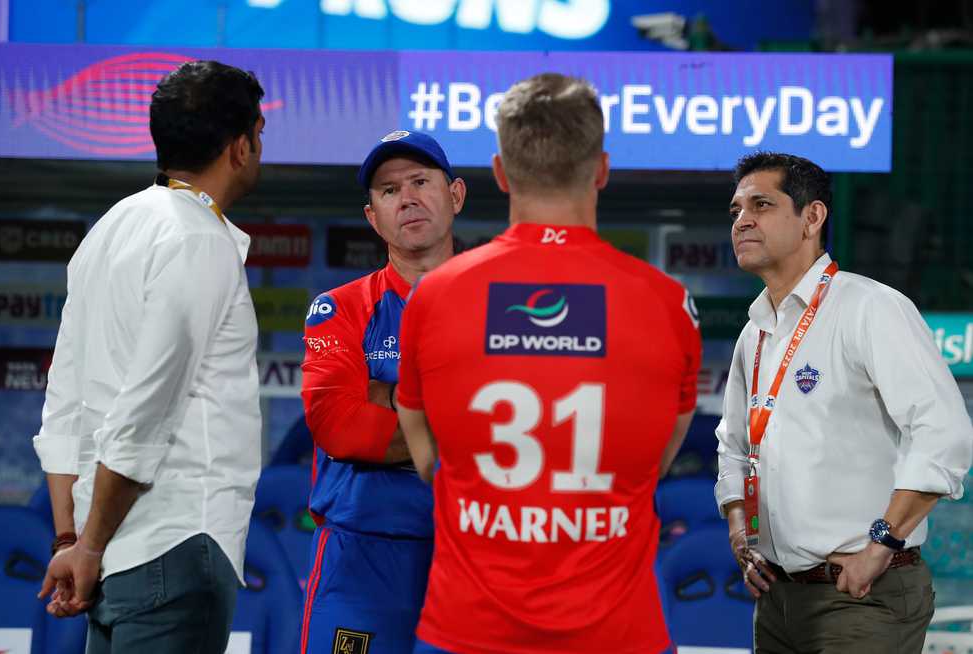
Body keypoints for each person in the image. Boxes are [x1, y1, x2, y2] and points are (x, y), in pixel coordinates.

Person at [396, 72, 701, 653]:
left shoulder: (433, 296)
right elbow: (656, 462)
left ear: (501, 172)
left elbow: (429, 459)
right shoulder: (668, 304)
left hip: (467, 633)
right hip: (618, 635)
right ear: (602, 169)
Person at [32, 60, 265, 653]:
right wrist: (85, 546)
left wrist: (71, 540)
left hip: (109, 553)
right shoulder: (198, 240)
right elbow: (145, 415)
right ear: (239, 148)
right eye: (258, 133)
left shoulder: (108, 229)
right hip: (174, 544)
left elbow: (64, 407)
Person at [715, 152, 973, 653]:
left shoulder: (870, 308)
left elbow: (944, 433)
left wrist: (883, 542)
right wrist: (738, 531)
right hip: (777, 597)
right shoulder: (756, 332)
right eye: (736, 210)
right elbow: (734, 443)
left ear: (812, 217)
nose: (742, 220)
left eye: (762, 204)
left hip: (860, 594)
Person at [299, 130, 466, 654]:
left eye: (421, 181)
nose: (408, 198)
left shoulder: (501, 304)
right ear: (373, 217)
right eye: (390, 191)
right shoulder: (341, 307)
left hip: (472, 558)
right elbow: (340, 427)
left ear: (455, 195)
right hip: (361, 560)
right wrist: (465, 420)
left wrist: (386, 393)